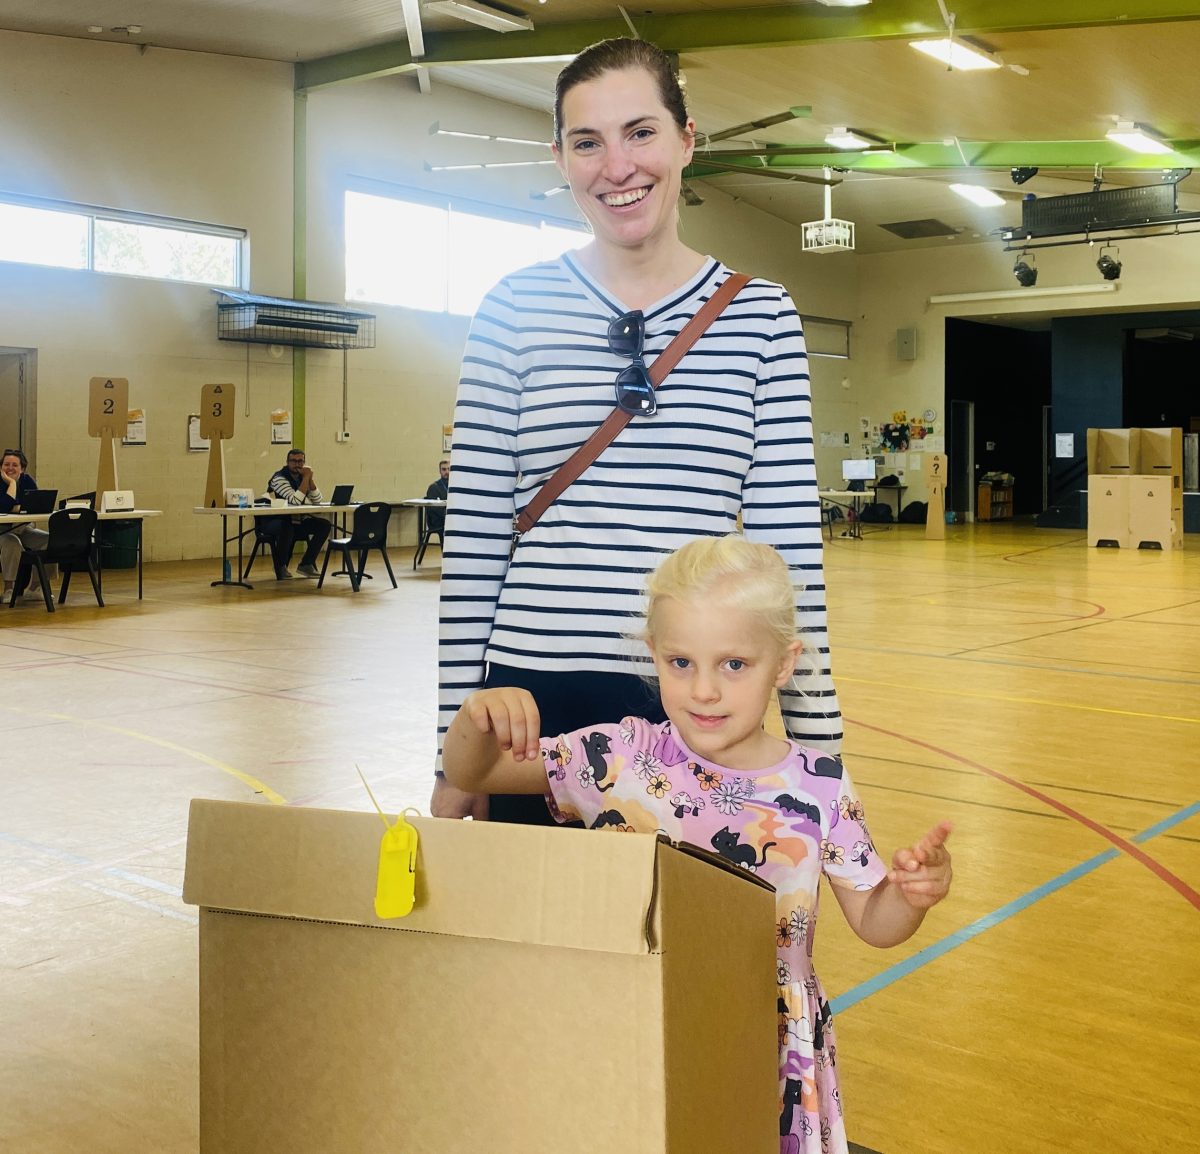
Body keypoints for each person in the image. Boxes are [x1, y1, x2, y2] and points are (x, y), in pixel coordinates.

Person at [433, 37, 841, 824]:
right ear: (561, 157)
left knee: (683, 948)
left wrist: (822, 758)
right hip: (527, 708)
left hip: (695, 706)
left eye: (641, 132)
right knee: (533, 945)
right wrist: (453, 754)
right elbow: (476, 538)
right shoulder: (511, 310)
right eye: (588, 142)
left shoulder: (762, 316)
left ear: (688, 140)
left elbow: (790, 549)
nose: (617, 166)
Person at [444, 534, 953, 1154]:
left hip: (758, 1047)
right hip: (625, 1026)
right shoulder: (617, 756)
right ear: (653, 653)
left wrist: (912, 895)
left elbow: (876, 922)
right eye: (680, 663)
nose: (704, 691)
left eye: (733, 664)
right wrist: (473, 720)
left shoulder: (818, 785)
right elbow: (476, 774)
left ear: (784, 663)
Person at [261, 449, 331, 580]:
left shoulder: (302, 478)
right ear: (287, 462)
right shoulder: (279, 478)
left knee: (324, 525)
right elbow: (295, 501)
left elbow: (317, 501)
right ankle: (280, 566)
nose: (297, 464)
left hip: (295, 520)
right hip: (273, 521)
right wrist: (306, 478)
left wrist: (310, 480)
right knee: (287, 526)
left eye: (301, 461)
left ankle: (306, 564)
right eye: (293, 461)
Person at [0, 448, 49, 598]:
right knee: (12, 542)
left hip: (22, 528)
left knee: (49, 540)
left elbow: (36, 505)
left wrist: (17, 508)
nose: (10, 468)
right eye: (6, 464)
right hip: (2, 531)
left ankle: (35, 587)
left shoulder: (28, 480)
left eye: (15, 465)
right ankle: (9, 588)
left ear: (22, 468)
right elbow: (4, 506)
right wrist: (12, 484)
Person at [424, 459, 449, 536]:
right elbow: (435, 509)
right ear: (440, 471)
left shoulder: (455, 486)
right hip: (438, 521)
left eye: (449, 469)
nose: (447, 472)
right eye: (444, 469)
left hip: (449, 518)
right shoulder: (434, 487)